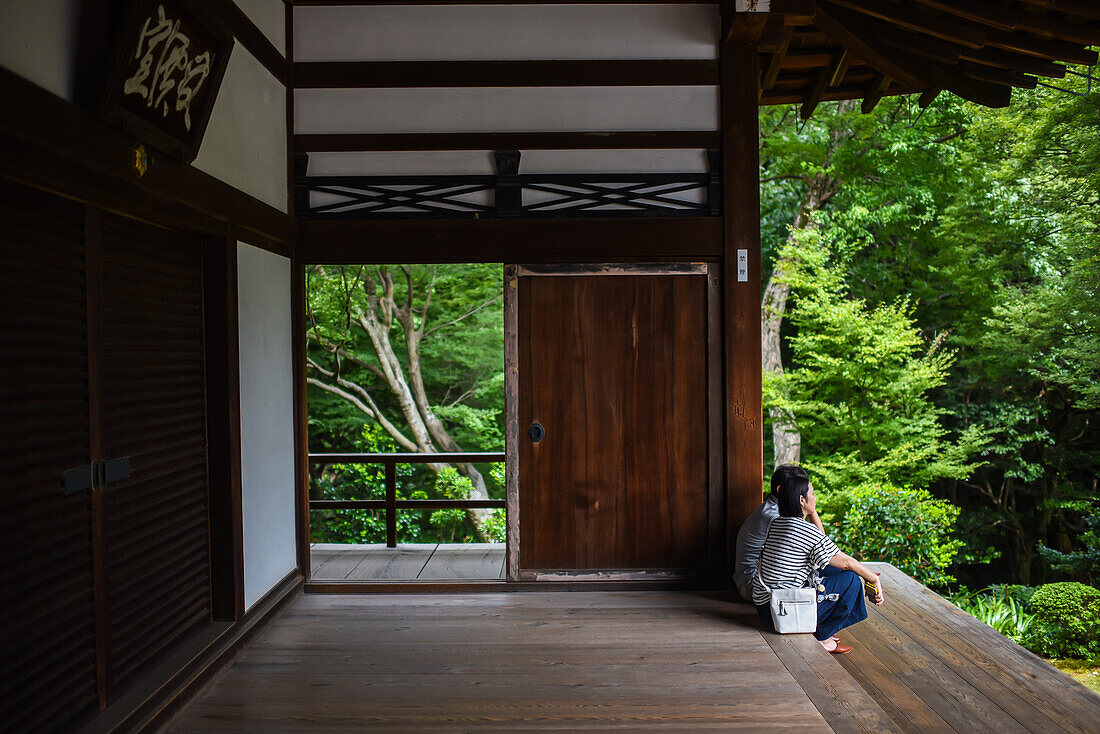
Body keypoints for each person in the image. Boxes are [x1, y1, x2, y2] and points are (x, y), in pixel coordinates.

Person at [751, 473, 884, 654]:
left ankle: (819, 628)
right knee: (851, 579)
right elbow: (845, 562)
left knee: (831, 570)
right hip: (783, 613)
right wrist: (873, 580)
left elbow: (824, 544)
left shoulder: (777, 523)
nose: (816, 498)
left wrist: (810, 510)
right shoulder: (803, 531)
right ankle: (823, 636)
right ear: (802, 500)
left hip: (766, 607)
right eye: (812, 493)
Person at [733, 464, 824, 601]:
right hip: (754, 585)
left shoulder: (777, 509)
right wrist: (810, 509)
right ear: (781, 489)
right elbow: (820, 543)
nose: (803, 490)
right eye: (798, 486)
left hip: (761, 579)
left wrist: (810, 506)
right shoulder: (774, 516)